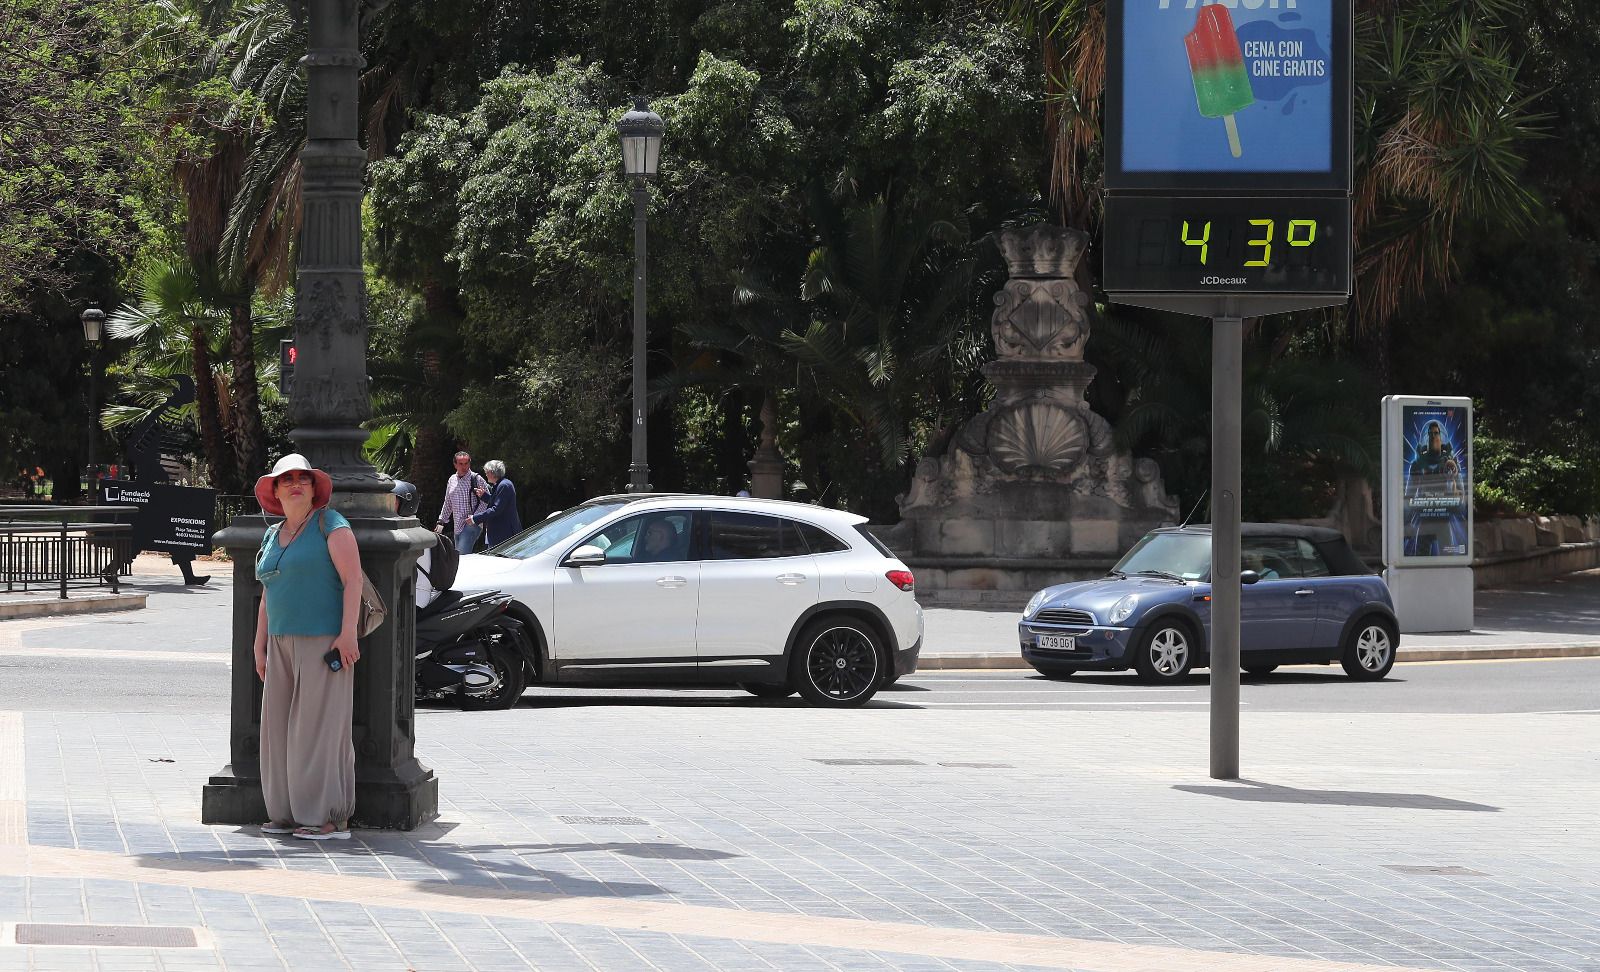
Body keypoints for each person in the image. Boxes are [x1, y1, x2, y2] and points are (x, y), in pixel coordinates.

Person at [252, 454, 361, 841]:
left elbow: (353, 581)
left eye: (304, 478)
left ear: (315, 489)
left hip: (323, 643)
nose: (296, 484)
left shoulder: (331, 525)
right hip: (279, 642)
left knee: (318, 731)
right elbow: (268, 591)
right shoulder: (272, 534)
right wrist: (259, 642)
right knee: (278, 729)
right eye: (287, 479)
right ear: (276, 491)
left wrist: (347, 634)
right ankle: (284, 813)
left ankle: (327, 819)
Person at [435, 451, 487, 553]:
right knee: (458, 557)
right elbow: (448, 503)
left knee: (461, 555)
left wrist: (474, 518)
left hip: (472, 525)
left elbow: (487, 500)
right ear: (455, 464)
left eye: (466, 463)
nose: (464, 467)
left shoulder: (477, 479)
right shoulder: (452, 480)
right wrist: (441, 521)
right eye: (461, 464)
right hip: (457, 525)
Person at [469, 459, 521, 548]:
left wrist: (475, 518)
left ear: (493, 473)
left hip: (504, 534)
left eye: (487, 472)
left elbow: (496, 509)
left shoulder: (504, 485)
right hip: (500, 533)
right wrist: (484, 496)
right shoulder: (501, 484)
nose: (485, 474)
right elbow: (498, 503)